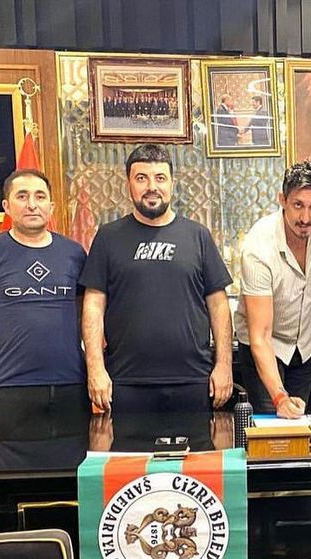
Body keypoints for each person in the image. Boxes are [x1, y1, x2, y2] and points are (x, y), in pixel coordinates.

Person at [80, 143, 233, 415]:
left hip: (193, 380)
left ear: (172, 183)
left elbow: (219, 306)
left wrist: (224, 365)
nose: (152, 186)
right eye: (142, 178)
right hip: (125, 382)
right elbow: (93, 305)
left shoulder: (198, 236)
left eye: (160, 178)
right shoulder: (108, 237)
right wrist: (95, 368)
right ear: (128, 184)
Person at [0, 168, 89, 440]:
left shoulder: (73, 253)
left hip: (70, 383)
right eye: (22, 196)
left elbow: (84, 313)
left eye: (40, 196)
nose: (32, 204)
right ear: (7, 206)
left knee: (73, 464)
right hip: (10, 387)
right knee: (15, 465)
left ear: (51, 206)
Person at [234, 160, 311, 418]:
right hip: (264, 347)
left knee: (301, 424)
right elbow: (260, 336)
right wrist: (279, 398)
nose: (305, 218)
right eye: (297, 205)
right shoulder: (258, 247)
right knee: (272, 423)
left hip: (305, 345)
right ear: (282, 200)